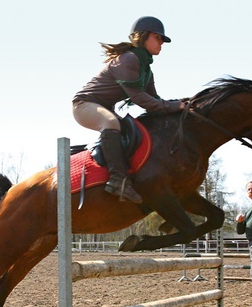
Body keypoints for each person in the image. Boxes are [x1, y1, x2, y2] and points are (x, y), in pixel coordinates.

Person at [72, 16, 186, 204]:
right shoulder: (128, 59)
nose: (161, 43)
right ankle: (118, 180)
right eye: (158, 38)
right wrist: (174, 106)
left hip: (103, 107)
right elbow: (140, 99)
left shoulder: (146, 69)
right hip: (83, 105)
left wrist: (180, 104)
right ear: (143, 37)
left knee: (129, 128)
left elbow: (154, 101)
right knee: (111, 123)